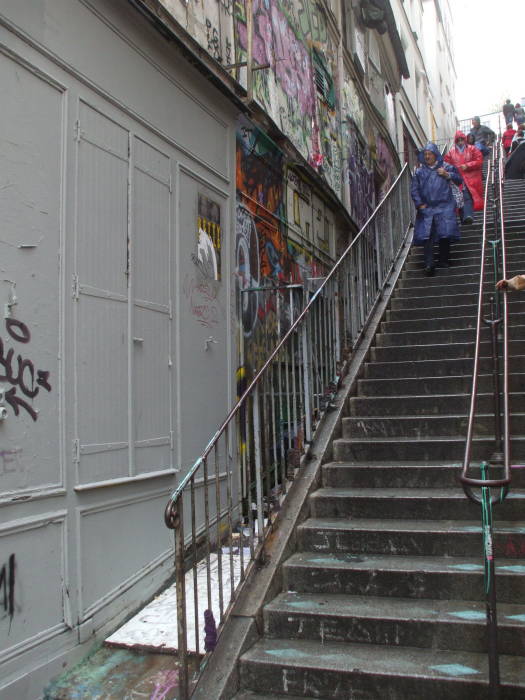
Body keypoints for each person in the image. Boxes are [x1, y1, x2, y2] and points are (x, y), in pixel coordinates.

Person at [411, 142, 463, 276]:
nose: (427, 157)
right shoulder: (419, 172)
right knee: (427, 236)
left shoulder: (446, 167)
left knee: (444, 234)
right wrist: (420, 204)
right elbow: (414, 190)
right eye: (425, 154)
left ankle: (444, 260)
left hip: (444, 206)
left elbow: (459, 179)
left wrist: (447, 175)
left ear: (435, 155)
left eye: (430, 154)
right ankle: (429, 264)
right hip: (427, 208)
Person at [445, 131, 483, 224]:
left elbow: (479, 160)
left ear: (465, 139)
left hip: (470, 178)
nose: (460, 142)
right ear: (456, 141)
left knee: (466, 196)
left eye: (462, 139)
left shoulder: (472, 149)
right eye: (458, 140)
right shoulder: (451, 152)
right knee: (460, 198)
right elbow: (446, 164)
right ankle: (465, 217)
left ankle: (467, 216)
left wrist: (468, 165)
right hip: (457, 179)